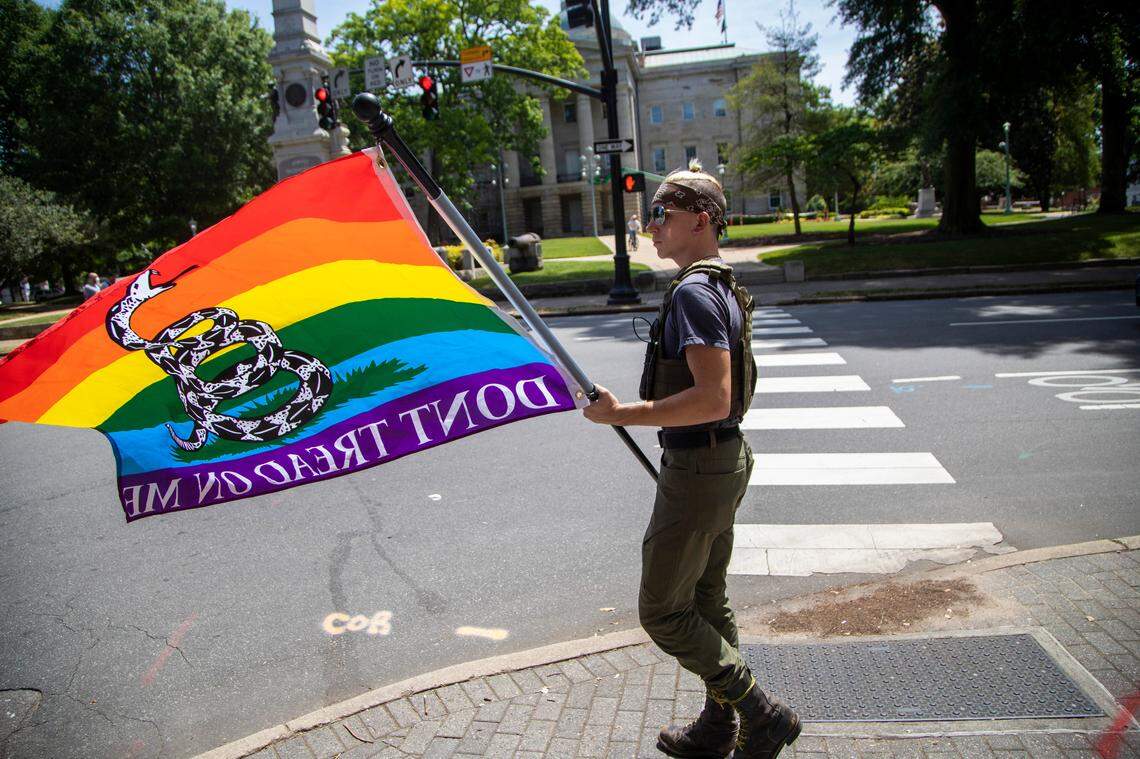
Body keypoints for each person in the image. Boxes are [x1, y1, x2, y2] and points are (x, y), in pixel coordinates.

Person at [583, 159, 801, 759]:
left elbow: (713, 396)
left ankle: (760, 710)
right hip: (720, 461)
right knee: (707, 600)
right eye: (650, 214)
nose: (649, 225)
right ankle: (719, 725)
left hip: (702, 467)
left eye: (662, 214)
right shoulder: (717, 284)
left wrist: (621, 413)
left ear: (701, 220)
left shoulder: (697, 295)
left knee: (662, 609)